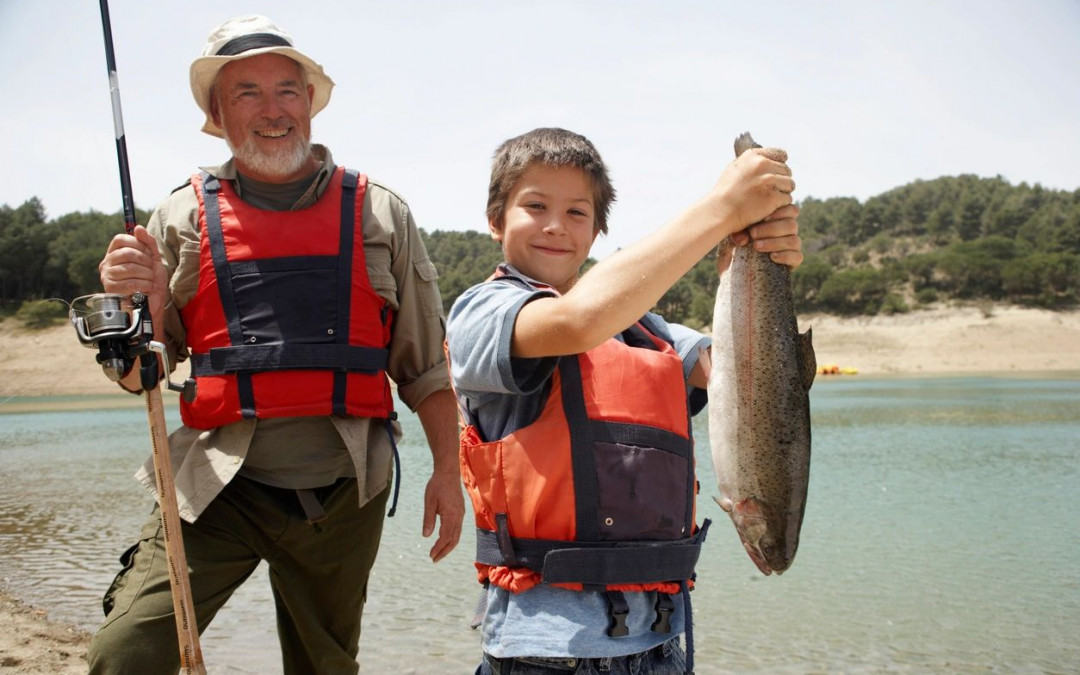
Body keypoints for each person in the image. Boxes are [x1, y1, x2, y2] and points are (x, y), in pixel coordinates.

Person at [89, 15, 464, 674]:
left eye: (287, 90)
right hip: (216, 491)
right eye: (247, 93)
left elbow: (426, 369)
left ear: (310, 102)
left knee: (324, 667)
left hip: (345, 494)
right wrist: (132, 308)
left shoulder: (383, 214)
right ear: (217, 112)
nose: (272, 110)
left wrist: (447, 472)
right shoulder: (178, 217)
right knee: (125, 653)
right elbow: (140, 375)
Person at [445, 127, 801, 674]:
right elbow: (576, 321)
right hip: (548, 653)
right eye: (535, 206)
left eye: (577, 213)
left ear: (597, 231)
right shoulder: (482, 313)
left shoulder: (645, 331)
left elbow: (745, 377)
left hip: (661, 643)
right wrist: (722, 210)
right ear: (495, 221)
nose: (556, 226)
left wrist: (754, 246)